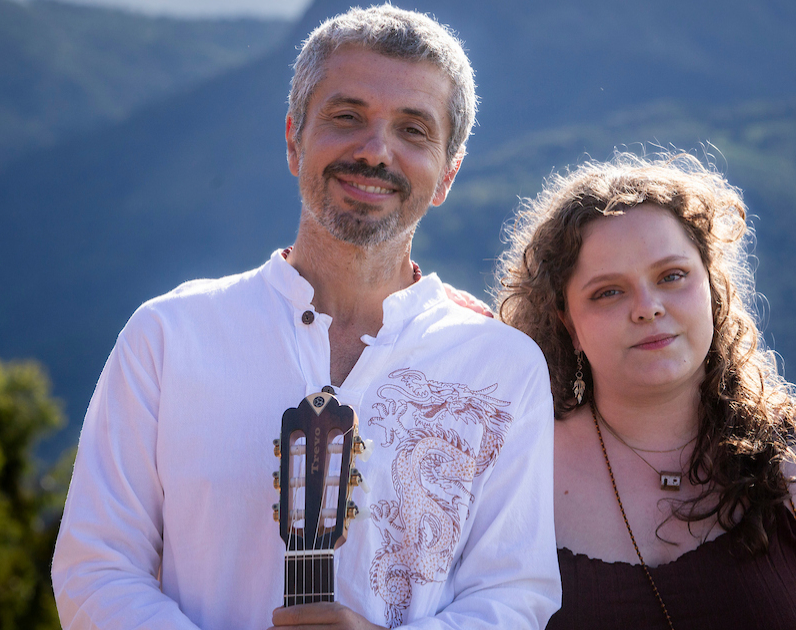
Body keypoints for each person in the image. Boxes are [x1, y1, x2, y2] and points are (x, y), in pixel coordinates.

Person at [51, 6, 560, 630]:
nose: (375, 151)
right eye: (347, 117)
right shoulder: (168, 337)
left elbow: (513, 595)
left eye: (413, 130)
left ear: (447, 174)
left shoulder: (501, 369)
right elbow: (96, 567)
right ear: (294, 139)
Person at [495, 152, 796, 629]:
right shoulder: (511, 477)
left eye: (671, 276)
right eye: (608, 292)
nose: (648, 307)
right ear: (567, 323)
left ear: (713, 289)